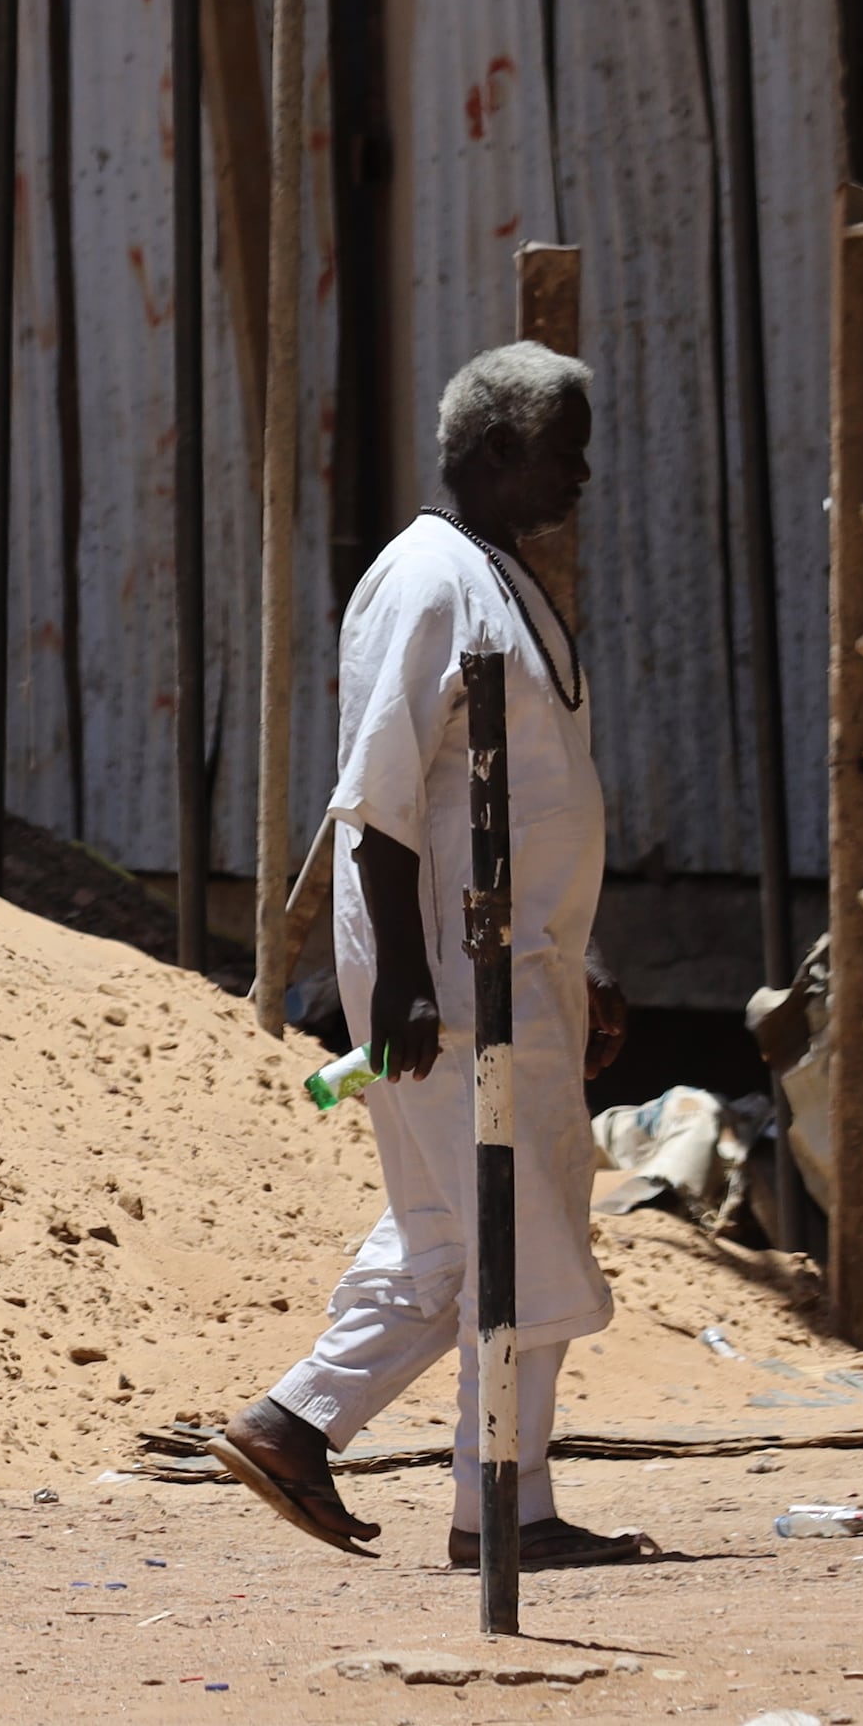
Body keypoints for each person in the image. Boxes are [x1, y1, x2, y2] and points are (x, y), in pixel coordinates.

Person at [215, 344, 651, 1571]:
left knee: (448, 1237)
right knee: (521, 1232)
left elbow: (521, 800)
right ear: (499, 450)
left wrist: (587, 958)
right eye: (564, 447)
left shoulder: (492, 576)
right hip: (458, 981)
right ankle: (502, 1513)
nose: (580, 472)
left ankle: (290, 1426)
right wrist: (404, 979)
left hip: (511, 962)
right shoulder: (428, 578)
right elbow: (381, 800)